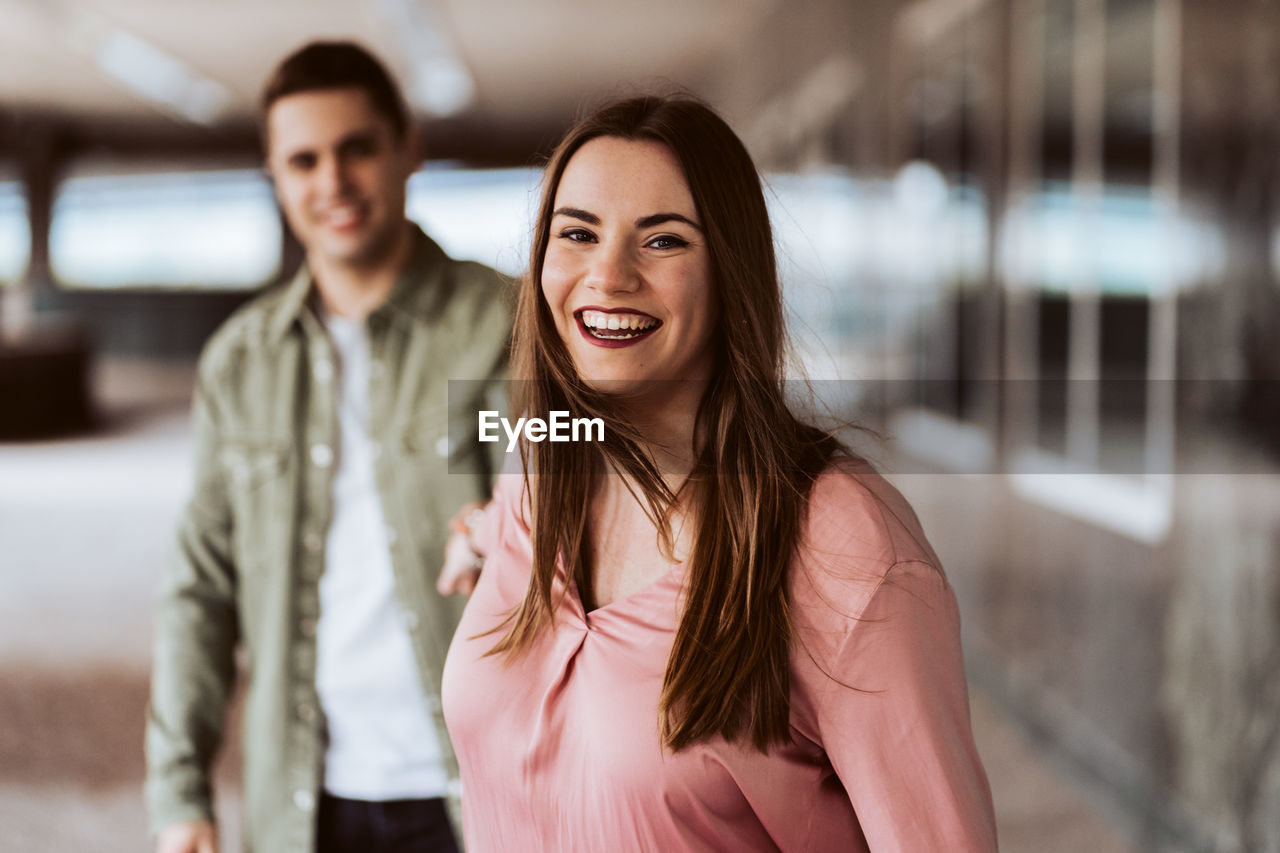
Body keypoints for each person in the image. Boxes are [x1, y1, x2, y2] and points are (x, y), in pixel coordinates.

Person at [437, 95, 998, 851]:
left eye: (663, 240)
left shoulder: (841, 537)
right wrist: (474, 538)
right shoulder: (541, 462)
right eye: (576, 233)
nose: (608, 274)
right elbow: (507, 540)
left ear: (729, 269)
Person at [145, 41, 510, 853]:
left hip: (480, 790)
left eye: (356, 149)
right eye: (302, 161)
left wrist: (504, 530)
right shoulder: (239, 363)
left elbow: (575, 518)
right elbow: (200, 589)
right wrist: (181, 791)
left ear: (407, 148)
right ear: (274, 176)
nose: (332, 183)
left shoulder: (507, 328)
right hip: (304, 801)